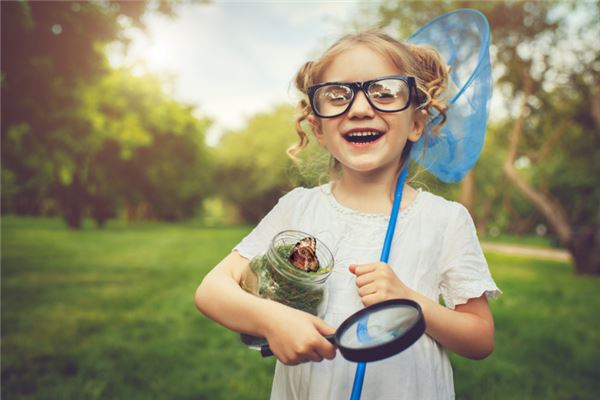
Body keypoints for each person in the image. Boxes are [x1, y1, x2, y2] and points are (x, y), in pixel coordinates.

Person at [195, 30, 501, 399]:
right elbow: (212, 290)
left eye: (384, 93)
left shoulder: (445, 220)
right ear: (318, 128)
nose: (359, 108)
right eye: (337, 96)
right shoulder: (298, 207)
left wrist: (410, 301)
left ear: (417, 123)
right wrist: (273, 319)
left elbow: (480, 338)